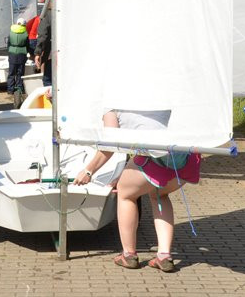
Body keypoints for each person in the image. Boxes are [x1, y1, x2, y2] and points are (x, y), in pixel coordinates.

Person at [72, 110, 201, 273]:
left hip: (157, 158)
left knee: (125, 193)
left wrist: (89, 171)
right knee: (159, 195)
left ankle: (129, 255)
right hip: (186, 158)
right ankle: (164, 256)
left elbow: (109, 145)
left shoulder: (110, 106)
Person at [6, 17, 31, 106]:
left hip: (12, 53)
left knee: (11, 72)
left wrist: (9, 50)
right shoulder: (25, 33)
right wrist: (30, 53)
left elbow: (8, 43)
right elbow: (28, 45)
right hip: (21, 54)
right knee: (20, 72)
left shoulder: (11, 31)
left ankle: (10, 89)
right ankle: (19, 87)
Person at [34, 0, 53, 88]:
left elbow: (42, 35)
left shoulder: (48, 16)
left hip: (52, 55)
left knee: (48, 81)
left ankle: (52, 102)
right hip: (68, 56)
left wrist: (37, 53)